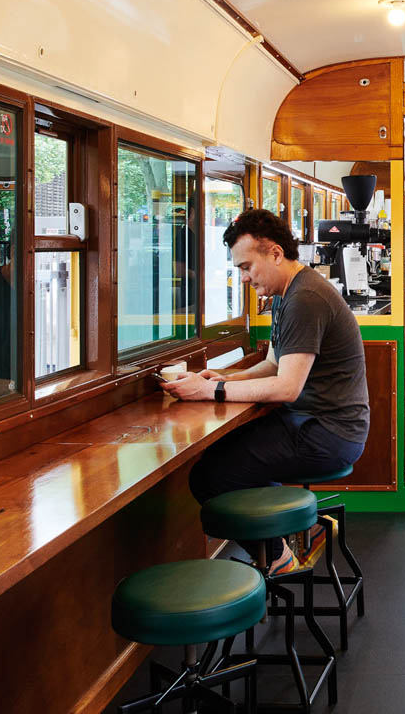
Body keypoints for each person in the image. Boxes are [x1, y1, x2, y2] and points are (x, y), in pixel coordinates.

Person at [165, 208, 368, 574]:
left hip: (329, 434)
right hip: (314, 423)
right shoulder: (287, 293)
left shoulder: (305, 299)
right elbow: (275, 365)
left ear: (275, 253)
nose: (243, 278)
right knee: (227, 457)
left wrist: (209, 393)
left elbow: (286, 387)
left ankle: (278, 557)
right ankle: (288, 536)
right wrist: (221, 378)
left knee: (211, 476)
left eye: (247, 267)